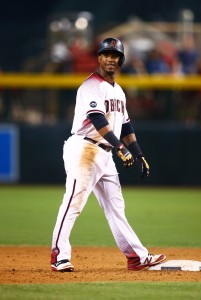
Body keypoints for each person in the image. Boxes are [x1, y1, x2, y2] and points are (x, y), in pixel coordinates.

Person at [50, 37, 166, 272]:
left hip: (105, 153)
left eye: (115, 55)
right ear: (100, 58)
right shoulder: (90, 86)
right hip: (85, 148)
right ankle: (58, 255)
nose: (110, 59)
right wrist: (120, 148)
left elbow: (125, 126)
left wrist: (139, 154)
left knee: (115, 207)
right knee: (74, 202)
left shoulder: (119, 91)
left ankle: (136, 256)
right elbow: (97, 118)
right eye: (106, 54)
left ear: (121, 60)